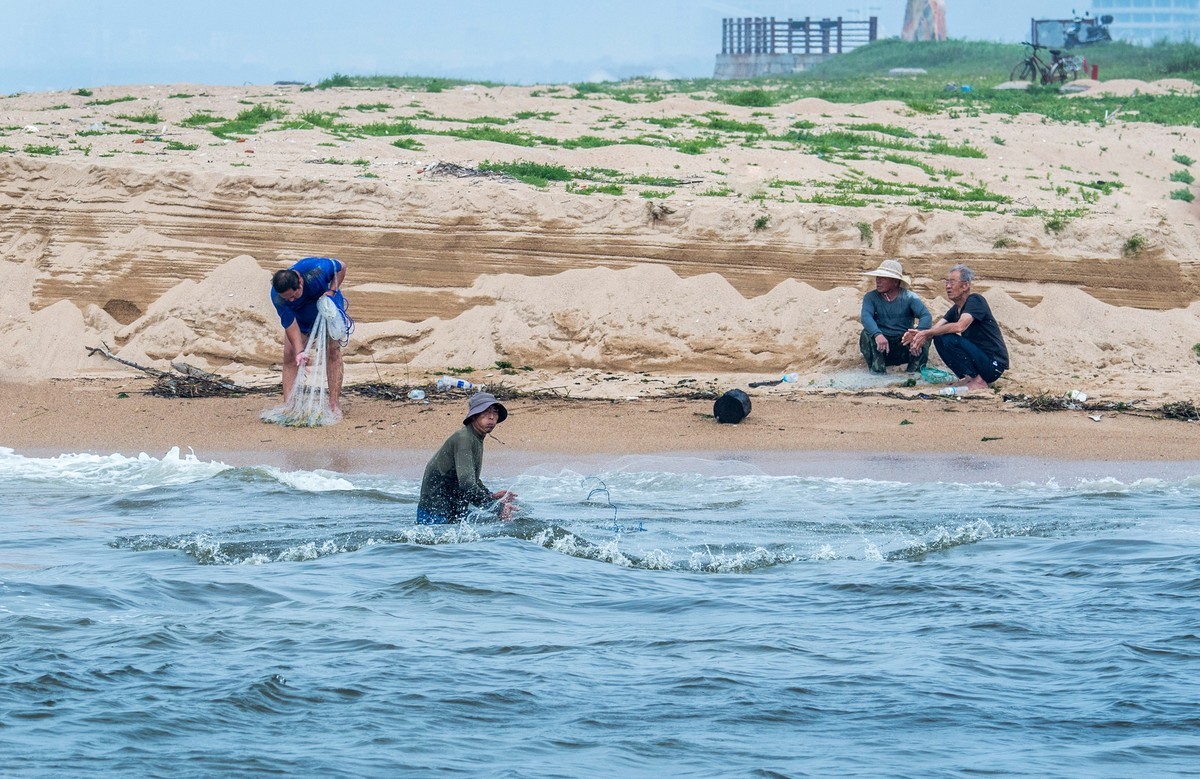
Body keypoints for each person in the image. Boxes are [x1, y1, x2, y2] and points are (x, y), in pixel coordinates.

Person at [902, 264, 1009, 393]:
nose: (948, 286)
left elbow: (960, 326)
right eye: (946, 282)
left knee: (948, 338)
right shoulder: (956, 309)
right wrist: (919, 334)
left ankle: (978, 381)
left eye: (952, 282)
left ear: (965, 286)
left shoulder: (975, 300)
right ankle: (968, 377)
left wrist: (927, 333)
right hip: (980, 360)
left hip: (993, 365)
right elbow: (936, 328)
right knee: (939, 337)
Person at [418, 392, 518, 524]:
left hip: (455, 508)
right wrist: (498, 509)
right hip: (435, 511)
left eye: (495, 412)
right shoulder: (464, 439)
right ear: (474, 415)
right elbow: (467, 483)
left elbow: (471, 478)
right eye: (486, 412)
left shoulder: (475, 437)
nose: (492, 417)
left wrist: (491, 496)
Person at [270, 257, 348, 413]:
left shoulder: (315, 269)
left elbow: (342, 266)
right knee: (290, 355)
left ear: (300, 282)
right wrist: (300, 351)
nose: (290, 300)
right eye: (287, 298)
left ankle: (333, 404)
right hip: (302, 316)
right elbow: (290, 325)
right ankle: (289, 405)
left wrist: (332, 290)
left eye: (293, 295)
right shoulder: (278, 297)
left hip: (328, 309)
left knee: (333, 351)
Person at [859, 259, 932, 374]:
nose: (878, 281)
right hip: (882, 348)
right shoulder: (870, 297)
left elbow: (926, 315)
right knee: (866, 334)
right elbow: (866, 317)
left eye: (883, 278)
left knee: (926, 335)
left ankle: (914, 372)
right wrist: (877, 334)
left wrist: (917, 334)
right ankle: (877, 371)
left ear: (895, 282)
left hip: (903, 345)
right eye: (878, 277)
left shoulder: (910, 297)